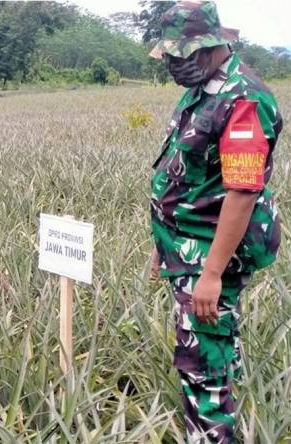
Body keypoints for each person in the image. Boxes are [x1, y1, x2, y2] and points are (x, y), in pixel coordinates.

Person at [148, 2, 283, 442]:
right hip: (188, 248)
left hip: (212, 255)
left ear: (213, 46)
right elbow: (188, 176)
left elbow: (243, 192)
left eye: (182, 55)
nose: (173, 64)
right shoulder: (203, 88)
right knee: (211, 356)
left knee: (204, 369)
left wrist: (212, 274)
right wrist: (162, 241)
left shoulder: (243, 99)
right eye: (169, 55)